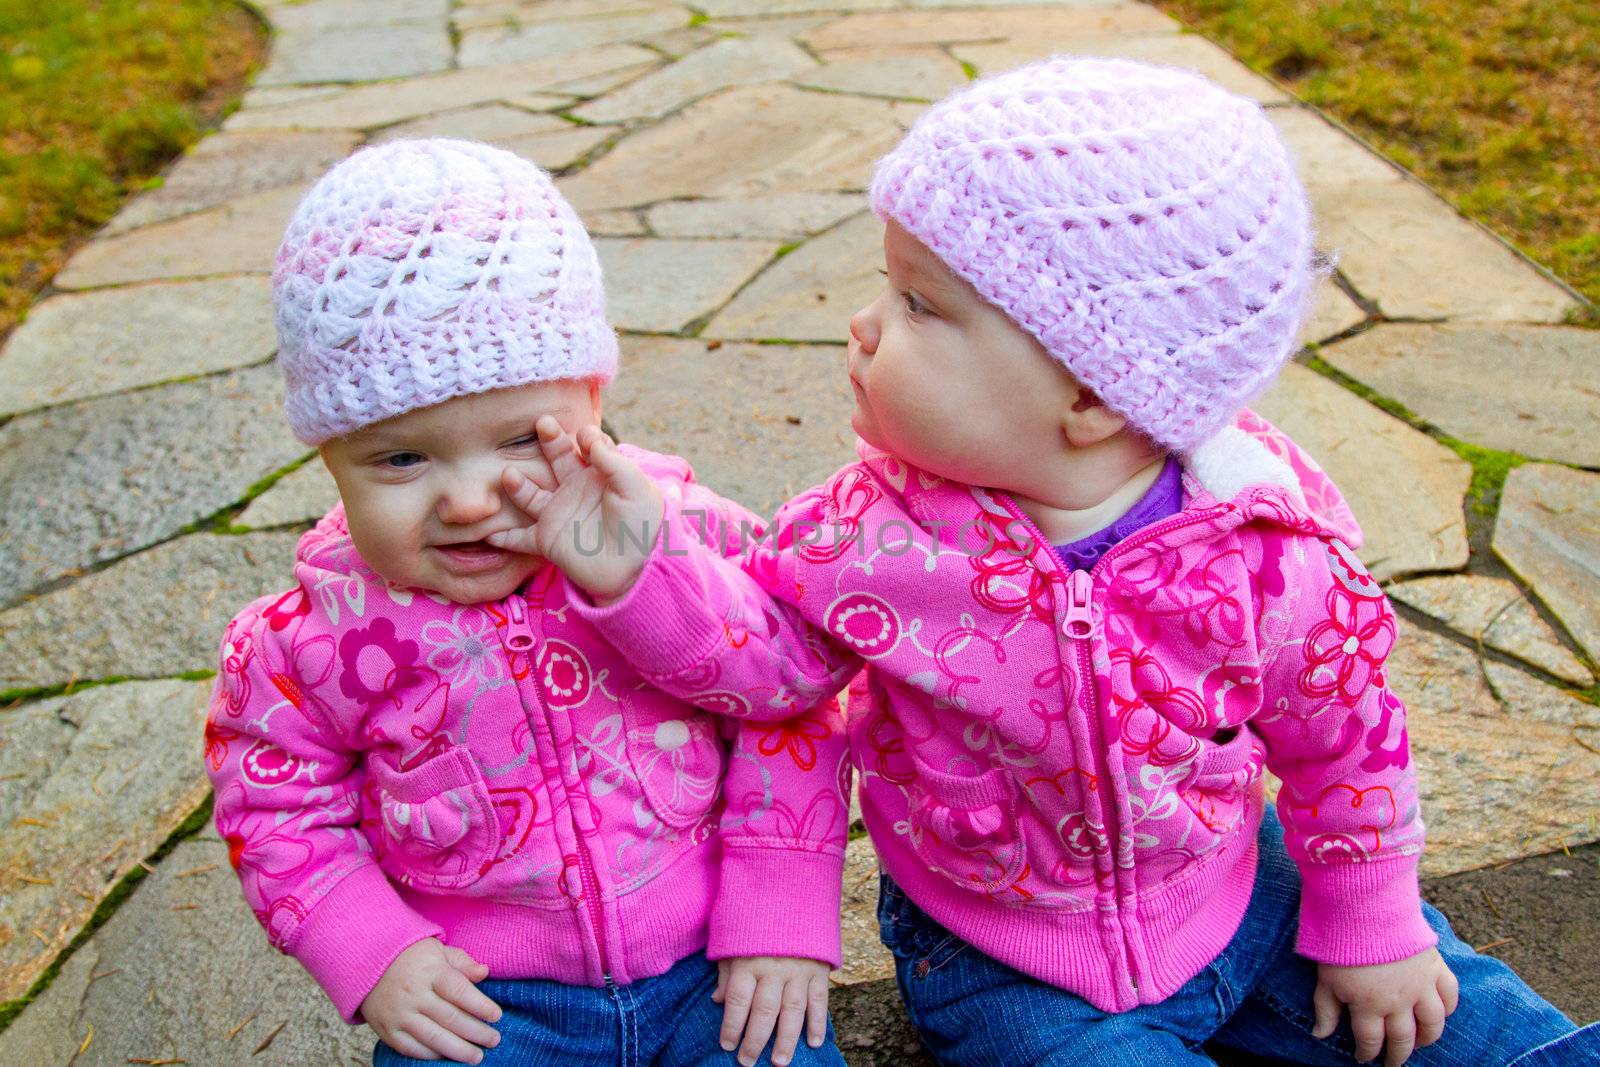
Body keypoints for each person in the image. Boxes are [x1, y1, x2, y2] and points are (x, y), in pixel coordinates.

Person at [493, 60, 1600, 1066]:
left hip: (1236, 895)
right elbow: (770, 670)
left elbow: (1343, 734)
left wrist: (1369, 915)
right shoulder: (869, 535)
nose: (863, 326)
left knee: (1484, 1029)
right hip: (1003, 951)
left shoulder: (1259, 545)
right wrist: (631, 562)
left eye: (920, 303)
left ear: (1091, 393)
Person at [205, 138, 849, 1067]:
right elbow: (276, 805)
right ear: (328, 457)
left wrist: (779, 909)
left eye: (519, 439)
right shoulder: (312, 639)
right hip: (485, 1007)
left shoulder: (681, 539)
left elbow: (790, 695)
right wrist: (370, 947)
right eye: (400, 459)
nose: (469, 499)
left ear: (592, 397)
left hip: (720, 971)